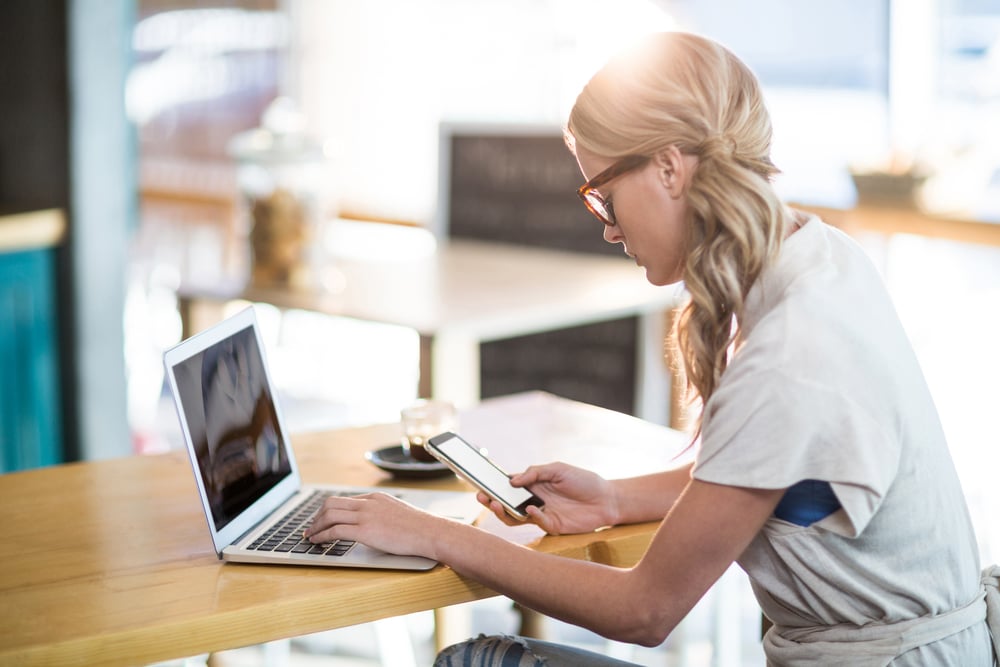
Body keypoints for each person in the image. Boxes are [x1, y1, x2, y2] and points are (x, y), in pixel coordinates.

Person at [306, 31, 999, 665]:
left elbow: (645, 610)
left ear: (670, 168)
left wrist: (437, 535)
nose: (606, 227)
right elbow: (776, 476)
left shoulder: (788, 353)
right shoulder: (821, 259)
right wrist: (613, 499)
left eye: (601, 195)